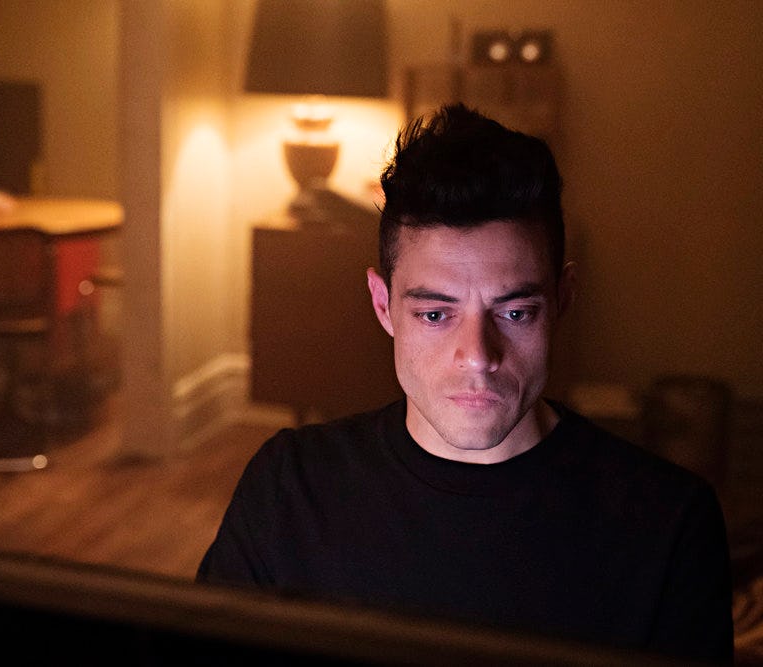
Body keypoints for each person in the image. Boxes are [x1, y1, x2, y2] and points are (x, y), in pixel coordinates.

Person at [197, 104, 733, 664]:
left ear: (562, 301)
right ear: (383, 305)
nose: (478, 357)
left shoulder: (667, 523)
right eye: (435, 315)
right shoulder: (287, 487)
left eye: (515, 313)